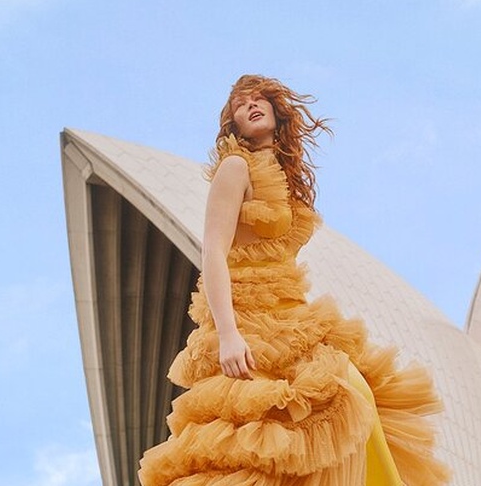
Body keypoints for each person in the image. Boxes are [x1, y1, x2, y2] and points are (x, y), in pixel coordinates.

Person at [138, 75, 451, 486]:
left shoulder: (284, 179)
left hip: (289, 316)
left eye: (257, 98)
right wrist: (229, 335)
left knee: (350, 401)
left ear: (276, 108)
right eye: (239, 104)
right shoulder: (236, 167)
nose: (250, 105)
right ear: (233, 125)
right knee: (271, 434)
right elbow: (212, 251)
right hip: (249, 320)